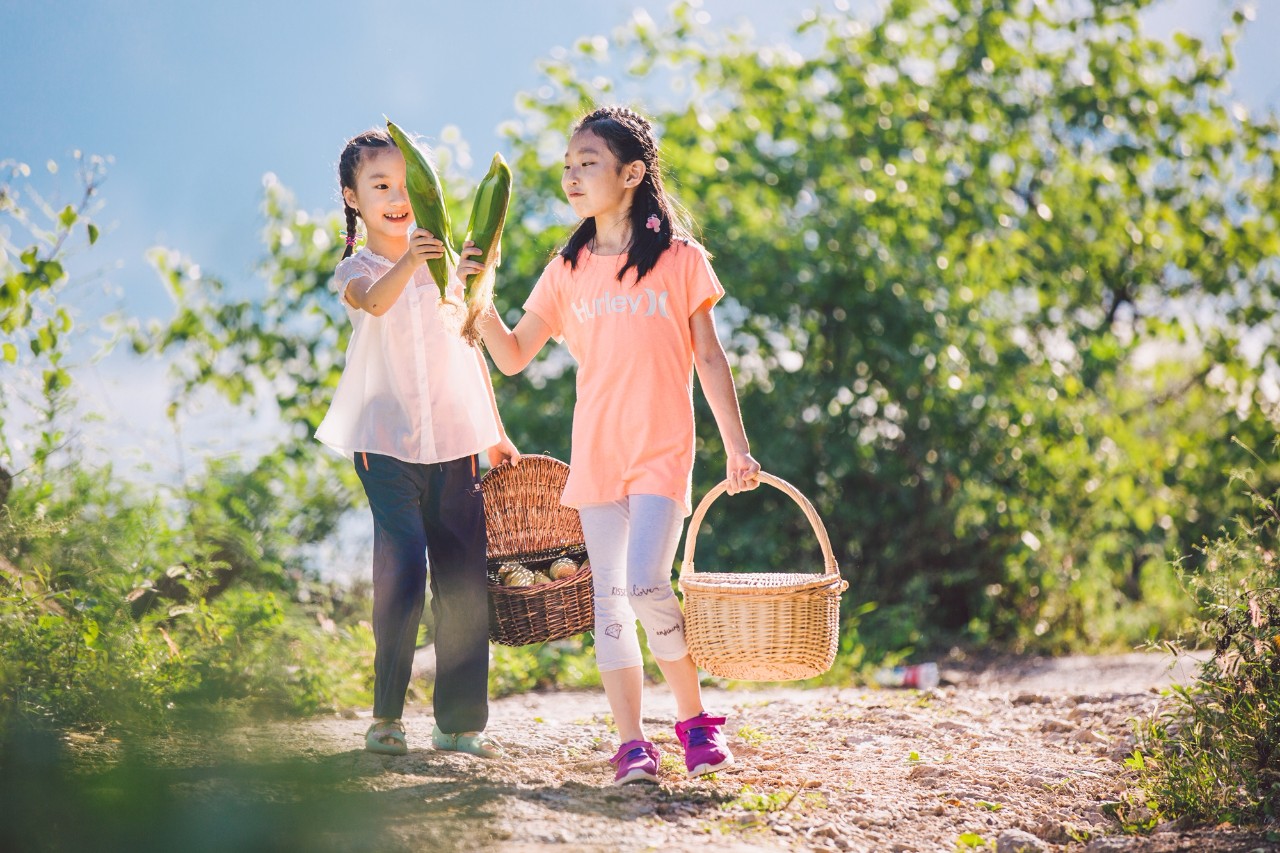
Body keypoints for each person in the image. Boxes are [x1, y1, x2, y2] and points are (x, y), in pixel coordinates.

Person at [476, 105, 761, 785]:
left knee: (645, 583)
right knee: (610, 599)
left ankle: (694, 722)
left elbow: (711, 359)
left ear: (632, 173)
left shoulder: (680, 259)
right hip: (598, 453)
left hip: (663, 450)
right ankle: (632, 743)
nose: (572, 174)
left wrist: (737, 448)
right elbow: (513, 355)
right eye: (568, 164)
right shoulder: (566, 268)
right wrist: (476, 297)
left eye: (589, 162)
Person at [315, 128, 520, 758]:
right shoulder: (356, 270)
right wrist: (413, 260)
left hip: (456, 442)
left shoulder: (449, 270)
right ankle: (386, 718)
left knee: (461, 581)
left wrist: (497, 434)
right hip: (384, 444)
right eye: (381, 186)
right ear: (353, 198)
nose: (397, 197)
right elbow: (374, 304)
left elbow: (469, 348)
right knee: (403, 569)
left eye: (406, 185)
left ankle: (459, 725)